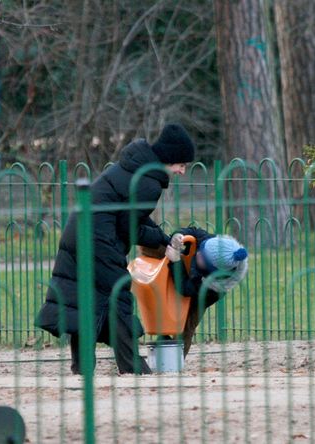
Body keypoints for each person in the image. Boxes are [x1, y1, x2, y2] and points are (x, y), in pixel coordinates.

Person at [36, 123, 196, 375]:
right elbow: (130, 228)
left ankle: (82, 368)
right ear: (170, 158)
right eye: (182, 165)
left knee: (85, 299)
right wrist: (161, 240)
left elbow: (133, 218)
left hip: (78, 231)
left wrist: (162, 238)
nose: (182, 171)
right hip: (100, 241)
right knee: (118, 295)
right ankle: (133, 367)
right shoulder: (149, 184)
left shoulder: (137, 167)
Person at [161, 227, 248, 356]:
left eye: (203, 258)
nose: (199, 254)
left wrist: (176, 262)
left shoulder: (214, 286)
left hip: (198, 295)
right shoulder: (212, 244)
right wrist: (178, 236)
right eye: (202, 249)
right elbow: (193, 231)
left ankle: (175, 361)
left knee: (186, 325)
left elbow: (185, 289)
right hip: (186, 269)